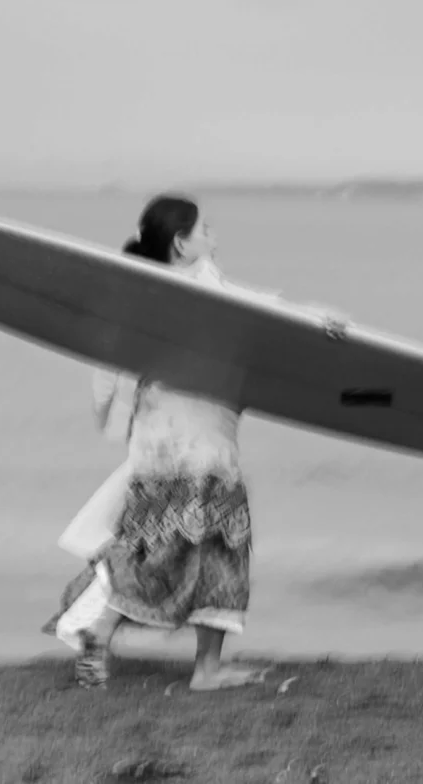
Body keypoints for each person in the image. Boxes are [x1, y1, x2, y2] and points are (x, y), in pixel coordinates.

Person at [42, 194, 265, 691]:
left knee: (152, 550)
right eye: (206, 230)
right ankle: (206, 668)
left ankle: (104, 626)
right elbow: (260, 316)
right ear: (182, 243)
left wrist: (114, 418)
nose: (214, 239)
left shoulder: (137, 296)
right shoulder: (204, 287)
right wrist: (320, 324)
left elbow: (109, 371)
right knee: (221, 551)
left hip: (155, 445)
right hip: (202, 440)